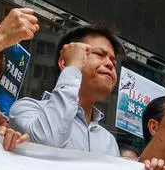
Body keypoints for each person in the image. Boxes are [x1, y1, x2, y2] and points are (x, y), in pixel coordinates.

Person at [8, 25, 122, 156]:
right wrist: (72, 67)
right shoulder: (27, 109)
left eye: (114, 62)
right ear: (64, 63)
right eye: (99, 54)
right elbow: (49, 143)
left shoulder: (109, 142)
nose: (109, 64)